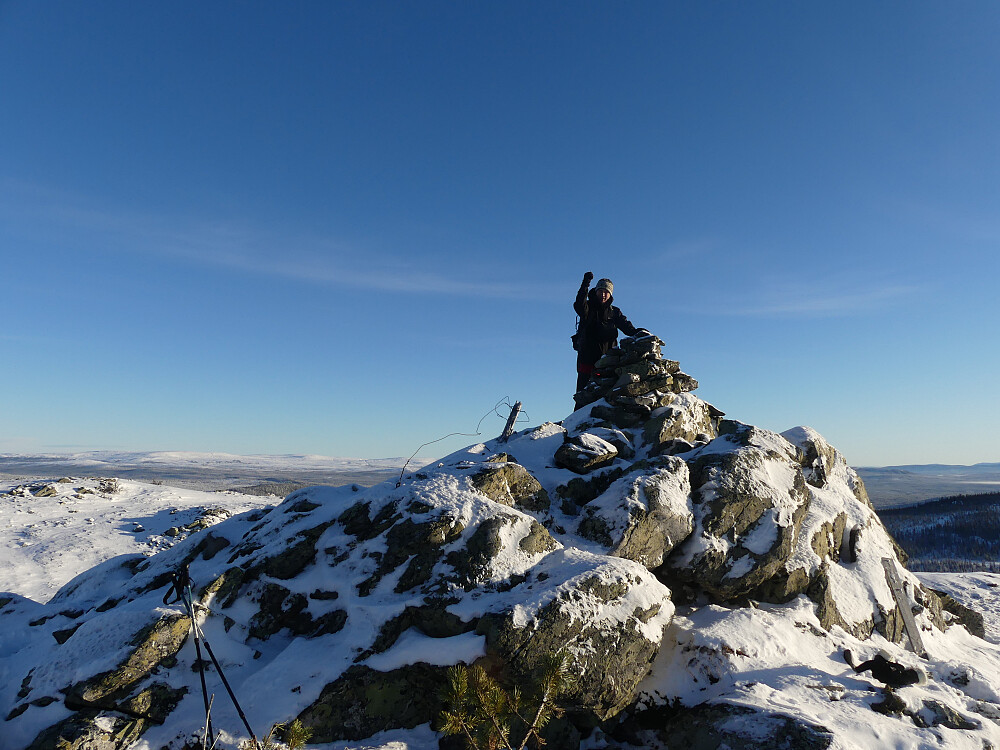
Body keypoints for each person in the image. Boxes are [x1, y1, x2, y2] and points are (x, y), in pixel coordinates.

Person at [573, 271, 643, 393]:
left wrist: (641, 334)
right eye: (601, 291)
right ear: (596, 292)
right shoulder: (588, 309)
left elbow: (628, 329)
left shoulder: (614, 312)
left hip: (608, 361)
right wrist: (585, 283)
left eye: (607, 292)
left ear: (610, 295)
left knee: (607, 395)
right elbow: (579, 304)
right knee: (583, 394)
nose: (604, 295)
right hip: (587, 360)